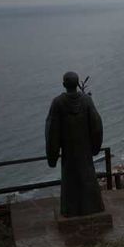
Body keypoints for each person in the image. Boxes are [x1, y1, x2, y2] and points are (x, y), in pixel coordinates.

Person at [45, 71, 106, 217]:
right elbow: (97, 125)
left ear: (64, 84)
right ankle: (93, 207)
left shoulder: (58, 103)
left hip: (68, 151)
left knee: (69, 181)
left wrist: (52, 157)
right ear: (77, 83)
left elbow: (51, 131)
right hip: (84, 150)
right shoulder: (86, 101)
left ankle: (70, 210)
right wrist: (95, 147)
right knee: (88, 177)